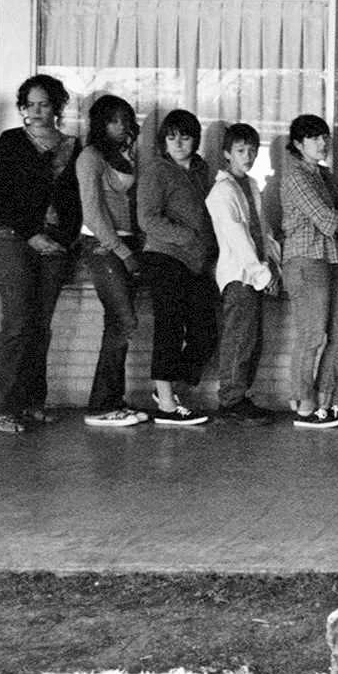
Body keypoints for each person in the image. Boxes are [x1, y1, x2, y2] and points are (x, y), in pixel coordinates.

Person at [0, 75, 81, 435]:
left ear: (57, 105)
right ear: (23, 107)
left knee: (41, 327)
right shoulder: (11, 141)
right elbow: (1, 194)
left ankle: (31, 402)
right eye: (31, 104)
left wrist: (67, 239)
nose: (38, 111)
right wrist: (32, 234)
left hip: (56, 245)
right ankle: (2, 408)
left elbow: (77, 201)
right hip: (15, 239)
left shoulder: (74, 146)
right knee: (17, 324)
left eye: (45, 103)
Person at [276, 113, 338, 429]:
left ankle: (325, 401)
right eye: (314, 138)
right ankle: (303, 405)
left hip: (334, 259)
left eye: (325, 136)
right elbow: (330, 221)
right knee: (311, 335)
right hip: (305, 260)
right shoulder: (295, 175)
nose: (322, 143)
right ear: (298, 144)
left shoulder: (324, 176)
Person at [136, 107, 217, 426]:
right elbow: (148, 218)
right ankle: (167, 404)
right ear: (163, 140)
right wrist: (186, 236)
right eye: (171, 137)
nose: (179, 143)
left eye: (185, 136)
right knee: (169, 326)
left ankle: (166, 384)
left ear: (195, 139)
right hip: (164, 256)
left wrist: (208, 246)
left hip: (198, 262)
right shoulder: (157, 170)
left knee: (205, 332)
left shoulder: (201, 170)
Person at [76, 94, 148, 428]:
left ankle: (111, 400)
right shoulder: (90, 157)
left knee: (117, 325)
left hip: (129, 242)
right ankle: (100, 406)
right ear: (100, 123)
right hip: (104, 246)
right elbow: (92, 213)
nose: (120, 125)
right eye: (112, 120)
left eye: (124, 119)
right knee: (125, 321)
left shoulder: (126, 155)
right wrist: (123, 251)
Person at [206, 120, 280, 426]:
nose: (247, 156)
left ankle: (239, 396)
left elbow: (263, 230)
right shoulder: (221, 192)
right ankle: (230, 400)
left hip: (256, 273)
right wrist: (262, 274)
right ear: (227, 153)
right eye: (240, 150)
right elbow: (238, 238)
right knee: (239, 339)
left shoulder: (250, 184)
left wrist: (273, 266)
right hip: (239, 275)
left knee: (252, 339)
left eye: (252, 150)